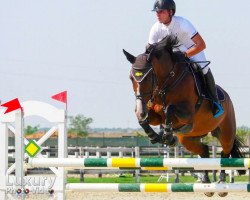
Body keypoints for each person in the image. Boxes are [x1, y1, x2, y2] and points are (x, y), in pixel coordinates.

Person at [148, 0, 224, 118]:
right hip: (172, 54)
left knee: (204, 68)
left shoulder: (183, 23)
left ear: (170, 12)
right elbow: (150, 51)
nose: (157, 14)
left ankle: (215, 102)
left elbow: (201, 44)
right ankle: (151, 100)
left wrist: (185, 55)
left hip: (191, 49)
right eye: (156, 12)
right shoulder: (155, 28)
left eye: (161, 12)